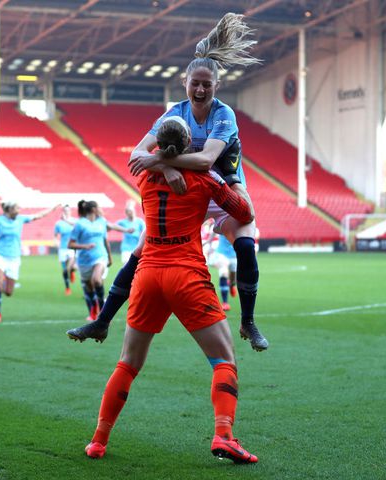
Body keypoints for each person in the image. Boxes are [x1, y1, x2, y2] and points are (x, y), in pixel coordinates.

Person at [67, 12, 268, 352]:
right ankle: (102, 321)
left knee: (245, 246)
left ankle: (248, 321)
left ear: (217, 87)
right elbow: (136, 153)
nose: (201, 89)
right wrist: (166, 168)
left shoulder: (224, 115)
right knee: (140, 253)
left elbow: (205, 162)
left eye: (207, 84)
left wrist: (162, 160)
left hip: (222, 191)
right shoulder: (174, 112)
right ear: (185, 83)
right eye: (196, 83)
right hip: (187, 193)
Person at [81, 116, 258, 463]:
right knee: (224, 359)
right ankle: (224, 435)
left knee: (128, 363)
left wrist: (163, 161)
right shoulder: (203, 178)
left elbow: (151, 159)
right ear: (190, 141)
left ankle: (98, 441)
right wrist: (233, 183)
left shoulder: (146, 177)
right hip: (186, 275)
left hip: (147, 276)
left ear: (157, 146)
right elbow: (244, 211)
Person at [68, 200, 133, 321]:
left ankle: (103, 312)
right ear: (93, 209)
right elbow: (70, 244)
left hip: (100, 257)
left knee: (97, 280)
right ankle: (93, 308)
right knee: (89, 288)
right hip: (84, 261)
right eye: (98, 207)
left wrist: (126, 230)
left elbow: (112, 228)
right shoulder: (80, 224)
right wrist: (85, 246)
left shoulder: (101, 222)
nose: (100, 209)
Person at [207, 233, 238, 311]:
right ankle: (225, 303)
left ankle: (231, 284)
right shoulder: (222, 221)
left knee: (233, 278)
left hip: (234, 255)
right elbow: (214, 230)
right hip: (222, 254)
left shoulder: (238, 223)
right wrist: (209, 242)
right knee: (223, 273)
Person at [54, 205, 79, 296]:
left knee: (70, 267)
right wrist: (56, 243)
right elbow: (56, 235)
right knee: (64, 270)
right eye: (65, 210)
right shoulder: (58, 224)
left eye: (68, 210)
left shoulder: (74, 221)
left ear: (70, 211)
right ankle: (67, 288)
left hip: (72, 247)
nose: (66, 212)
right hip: (62, 248)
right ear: (62, 211)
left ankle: (72, 271)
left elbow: (77, 227)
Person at [116, 200, 145, 264]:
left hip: (137, 247)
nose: (131, 213)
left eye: (132, 211)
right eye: (129, 212)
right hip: (126, 248)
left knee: (136, 265)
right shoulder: (123, 222)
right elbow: (114, 227)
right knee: (126, 264)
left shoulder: (139, 221)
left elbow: (144, 231)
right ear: (126, 213)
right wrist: (125, 230)